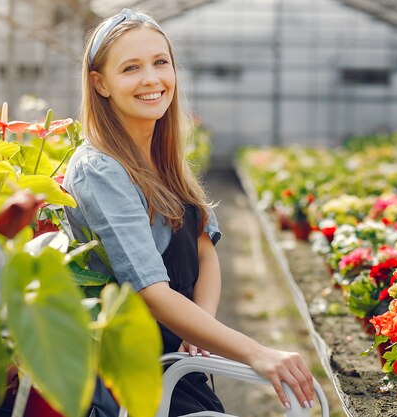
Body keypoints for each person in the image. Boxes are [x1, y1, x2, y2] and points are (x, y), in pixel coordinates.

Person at [62, 8, 315, 417]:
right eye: (130, 68)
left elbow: (204, 248)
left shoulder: (161, 157)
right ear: (100, 84)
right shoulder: (100, 169)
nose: (151, 79)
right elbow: (151, 292)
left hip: (177, 365)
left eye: (161, 62)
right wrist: (256, 353)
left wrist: (198, 332)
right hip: (131, 378)